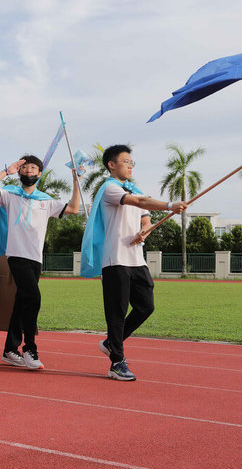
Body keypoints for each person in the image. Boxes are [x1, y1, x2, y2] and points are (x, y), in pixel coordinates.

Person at [80, 144, 187, 381]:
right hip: (115, 259)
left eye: (131, 162)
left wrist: (145, 232)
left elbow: (146, 220)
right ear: (111, 164)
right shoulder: (110, 189)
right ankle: (117, 362)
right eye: (126, 161)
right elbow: (139, 202)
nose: (130, 166)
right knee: (116, 313)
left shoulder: (133, 188)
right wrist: (170, 205)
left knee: (146, 305)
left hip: (136, 259)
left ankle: (111, 342)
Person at [0, 156, 80, 369]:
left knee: (22, 301)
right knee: (33, 298)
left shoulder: (46, 200)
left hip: (36, 258)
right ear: (20, 172)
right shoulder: (10, 195)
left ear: (39, 173)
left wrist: (75, 181)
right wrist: (7, 171)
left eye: (32, 168)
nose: (28, 171)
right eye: (24, 168)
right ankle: (30, 349)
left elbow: (73, 208)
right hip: (17, 255)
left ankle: (9, 350)